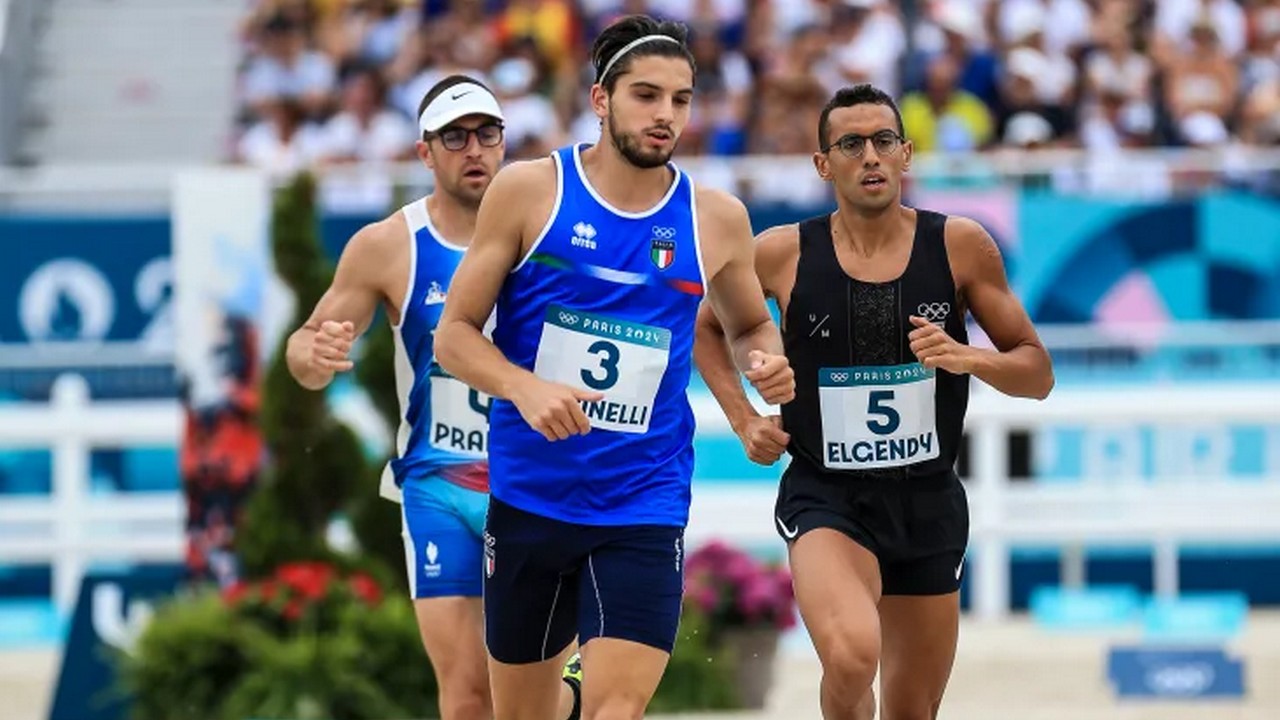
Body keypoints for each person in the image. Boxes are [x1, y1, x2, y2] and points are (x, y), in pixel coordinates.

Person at [433, 14, 795, 720]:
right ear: (601, 100)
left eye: (682, 99)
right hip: (531, 496)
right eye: (647, 95)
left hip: (644, 501)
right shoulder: (529, 192)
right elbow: (455, 337)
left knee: (617, 711)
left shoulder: (715, 218)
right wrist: (523, 386)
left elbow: (750, 322)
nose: (666, 116)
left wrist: (768, 364)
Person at [693, 83, 1055, 720]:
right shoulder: (782, 251)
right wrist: (745, 418)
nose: (871, 156)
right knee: (854, 656)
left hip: (928, 498)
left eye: (884, 141)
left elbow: (1038, 372)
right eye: (851, 143)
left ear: (907, 153)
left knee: (911, 710)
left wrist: (970, 357)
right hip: (825, 492)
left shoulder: (960, 245)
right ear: (823, 163)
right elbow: (707, 327)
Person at [286, 75, 583, 720]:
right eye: (455, 137)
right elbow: (308, 349)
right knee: (467, 694)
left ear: (505, 142)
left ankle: (572, 699)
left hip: (538, 481)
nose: (473, 149)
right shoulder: (388, 246)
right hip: (439, 484)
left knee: (529, 698)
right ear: (425, 152)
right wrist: (312, 355)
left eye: (486, 133)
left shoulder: (557, 234)